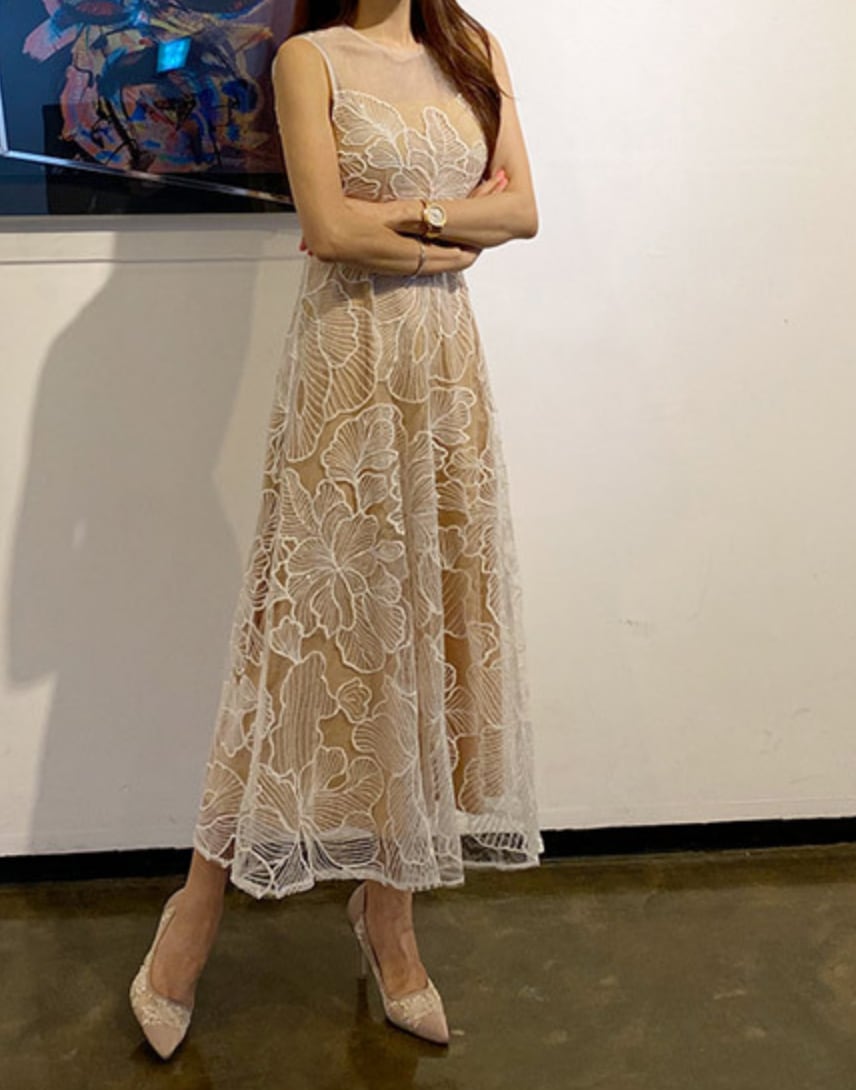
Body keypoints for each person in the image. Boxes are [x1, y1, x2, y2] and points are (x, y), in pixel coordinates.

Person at [129, 0, 543, 1060]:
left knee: (419, 631)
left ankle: (389, 919)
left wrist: (406, 225)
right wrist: (453, 227)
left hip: (443, 374)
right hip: (344, 369)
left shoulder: (475, 50)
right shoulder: (308, 60)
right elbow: (329, 228)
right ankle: (194, 909)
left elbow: (524, 211)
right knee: (293, 641)